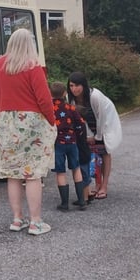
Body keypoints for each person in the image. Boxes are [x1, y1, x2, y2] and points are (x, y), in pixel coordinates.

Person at [0, 28, 57, 236]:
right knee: (33, 173)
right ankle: (36, 222)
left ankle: (17, 219)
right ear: (30, 44)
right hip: (32, 122)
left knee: (13, 174)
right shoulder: (32, 66)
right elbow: (44, 99)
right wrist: (52, 121)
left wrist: (4, 115)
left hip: (7, 121)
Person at [67, 71, 122, 201]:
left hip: (105, 124)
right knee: (92, 153)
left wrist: (97, 136)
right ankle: (97, 184)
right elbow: (79, 119)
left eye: (77, 86)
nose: (74, 89)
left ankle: (104, 185)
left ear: (84, 85)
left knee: (104, 151)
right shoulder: (72, 99)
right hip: (89, 126)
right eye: (71, 86)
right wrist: (89, 136)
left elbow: (102, 118)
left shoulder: (95, 96)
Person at [50, 81, 87, 211]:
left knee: (60, 172)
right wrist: (76, 134)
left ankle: (64, 204)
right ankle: (82, 201)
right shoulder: (71, 108)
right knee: (76, 169)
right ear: (65, 93)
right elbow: (81, 123)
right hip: (71, 142)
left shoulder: (49, 109)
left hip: (57, 143)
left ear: (51, 94)